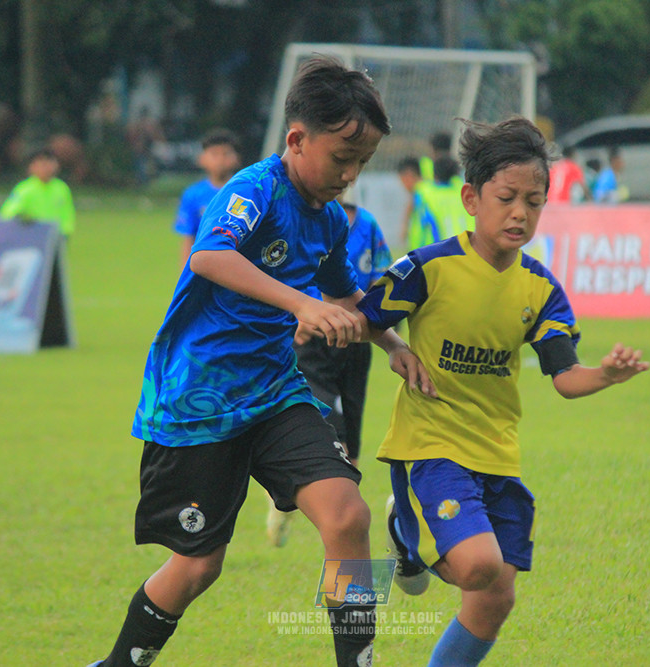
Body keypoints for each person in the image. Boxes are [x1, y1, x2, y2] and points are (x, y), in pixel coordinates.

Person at [85, 56, 434, 667]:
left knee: (348, 516)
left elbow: (345, 295)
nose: (350, 175)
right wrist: (301, 304)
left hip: (274, 393)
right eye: (342, 158)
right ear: (297, 140)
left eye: (362, 162)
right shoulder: (255, 189)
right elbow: (208, 256)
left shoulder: (330, 220)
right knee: (198, 567)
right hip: (199, 402)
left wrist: (393, 345)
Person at [351, 116, 650, 667]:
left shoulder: (540, 288)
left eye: (533, 202)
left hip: (496, 454)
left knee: (495, 599)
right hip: (431, 447)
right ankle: (404, 529)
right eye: (507, 198)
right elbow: (364, 316)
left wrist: (607, 374)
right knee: (479, 567)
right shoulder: (429, 268)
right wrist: (394, 346)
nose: (520, 213)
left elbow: (565, 377)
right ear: (472, 198)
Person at [268, 198, 392, 546]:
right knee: (336, 449)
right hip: (311, 341)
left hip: (355, 341)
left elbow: (376, 282)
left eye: (355, 170)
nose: (347, 175)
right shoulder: (295, 217)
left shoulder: (365, 224)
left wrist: (390, 339)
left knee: (352, 458)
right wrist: (297, 313)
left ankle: (360, 580)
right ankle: (288, 497)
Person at [173, 128, 242, 266]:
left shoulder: (244, 191)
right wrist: (185, 272)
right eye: (214, 154)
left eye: (226, 154)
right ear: (202, 159)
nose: (221, 160)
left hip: (239, 263)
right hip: (207, 266)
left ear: (237, 159)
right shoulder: (193, 194)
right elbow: (189, 237)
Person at [0, 148, 76, 238]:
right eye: (42, 164)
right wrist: (24, 219)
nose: (46, 168)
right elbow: (7, 213)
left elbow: (67, 214)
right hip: (32, 236)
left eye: (49, 163)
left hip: (57, 236)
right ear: (32, 167)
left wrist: (66, 231)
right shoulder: (25, 189)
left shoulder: (61, 188)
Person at [408, 155, 472, 250]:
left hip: (440, 252)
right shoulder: (464, 192)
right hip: (467, 248)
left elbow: (418, 229)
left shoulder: (425, 194)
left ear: (434, 174)